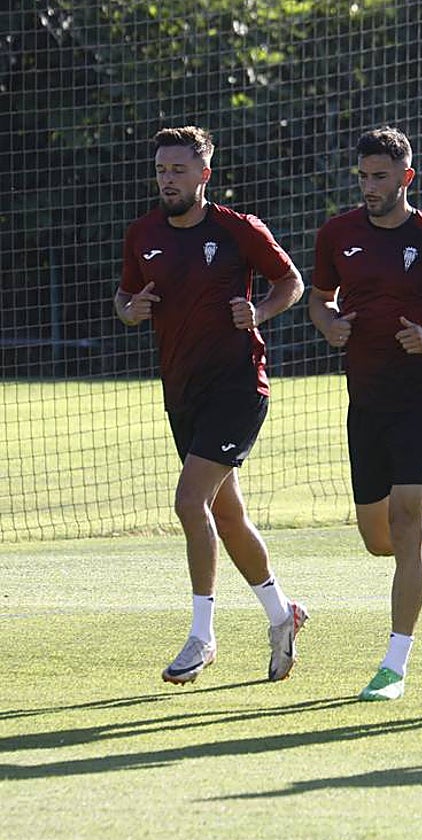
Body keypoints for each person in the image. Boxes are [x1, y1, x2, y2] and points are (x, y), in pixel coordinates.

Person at [115, 126, 308, 685]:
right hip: (182, 392)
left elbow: (290, 281)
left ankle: (202, 636)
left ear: (204, 174)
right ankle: (282, 615)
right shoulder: (143, 233)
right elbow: (126, 299)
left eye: (178, 170)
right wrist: (131, 310)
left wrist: (262, 312)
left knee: (188, 501)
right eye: (160, 170)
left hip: (238, 387)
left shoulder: (236, 229)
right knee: (226, 514)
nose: (167, 180)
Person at [309, 126, 422, 702]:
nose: (368, 186)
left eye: (380, 177)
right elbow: (319, 297)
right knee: (379, 537)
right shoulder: (338, 233)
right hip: (365, 402)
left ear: (406, 178)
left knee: (408, 520)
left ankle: (394, 666)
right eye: (363, 176)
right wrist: (329, 324)